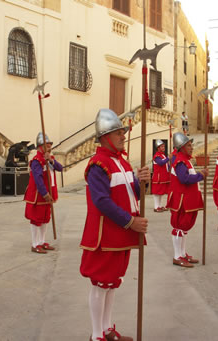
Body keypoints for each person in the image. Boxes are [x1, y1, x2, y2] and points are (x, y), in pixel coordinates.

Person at [79, 109, 149, 341]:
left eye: (122, 132)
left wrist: (142, 182)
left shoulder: (124, 163)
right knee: (101, 284)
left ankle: (107, 329)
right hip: (105, 234)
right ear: (105, 137)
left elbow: (133, 195)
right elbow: (101, 202)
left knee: (111, 283)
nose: (123, 136)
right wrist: (131, 222)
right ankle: (97, 335)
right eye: (118, 133)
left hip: (120, 233)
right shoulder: (98, 165)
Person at [167, 133, 208, 267]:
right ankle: (177, 255)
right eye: (188, 145)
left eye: (191, 145)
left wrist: (199, 175)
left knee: (184, 228)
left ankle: (183, 253)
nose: (191, 147)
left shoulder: (185, 160)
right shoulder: (180, 161)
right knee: (179, 226)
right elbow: (184, 179)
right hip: (181, 200)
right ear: (181, 147)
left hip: (187, 199)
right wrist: (200, 175)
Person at [24, 132, 63, 254]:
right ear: (40, 147)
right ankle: (35, 243)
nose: (50, 148)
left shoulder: (50, 159)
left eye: (50, 145)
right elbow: (38, 179)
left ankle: (42, 241)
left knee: (45, 218)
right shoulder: (36, 161)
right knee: (36, 219)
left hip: (50, 193)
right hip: (40, 194)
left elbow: (60, 168)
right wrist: (45, 193)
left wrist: (50, 161)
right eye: (47, 145)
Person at [151, 139, 171, 212]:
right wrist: (169, 158)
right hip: (158, 177)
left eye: (164, 146)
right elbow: (161, 163)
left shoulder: (163, 155)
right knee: (157, 192)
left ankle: (159, 206)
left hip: (164, 177)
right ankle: (156, 207)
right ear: (158, 148)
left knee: (161, 192)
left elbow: (166, 165)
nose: (163, 148)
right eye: (162, 146)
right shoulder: (157, 156)